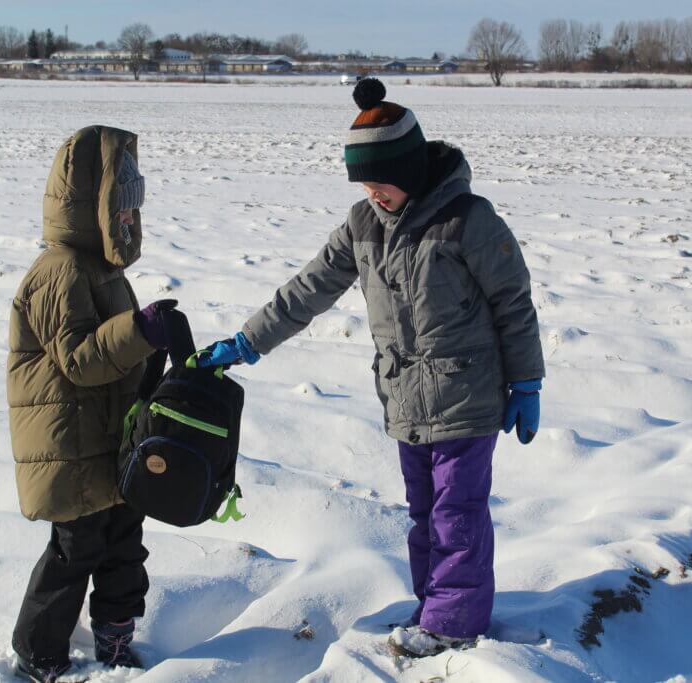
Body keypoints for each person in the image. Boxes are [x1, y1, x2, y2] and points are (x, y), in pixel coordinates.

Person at [198, 80, 545, 657]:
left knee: (457, 512)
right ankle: (434, 607)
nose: (372, 193)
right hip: (405, 397)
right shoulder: (362, 225)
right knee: (424, 514)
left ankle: (455, 624)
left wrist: (526, 381)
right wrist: (247, 342)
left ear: (408, 169)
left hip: (467, 392)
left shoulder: (467, 220)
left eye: (380, 183)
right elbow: (307, 291)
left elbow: (514, 301)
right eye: (364, 184)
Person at [6, 125, 172, 681]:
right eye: (120, 212)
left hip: (109, 441)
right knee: (76, 550)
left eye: (133, 211)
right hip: (71, 448)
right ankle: (39, 650)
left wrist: (158, 354)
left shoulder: (105, 270)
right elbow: (80, 359)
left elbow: (118, 357)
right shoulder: (59, 272)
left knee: (125, 542)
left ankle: (116, 636)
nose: (129, 221)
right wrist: (140, 330)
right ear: (89, 208)